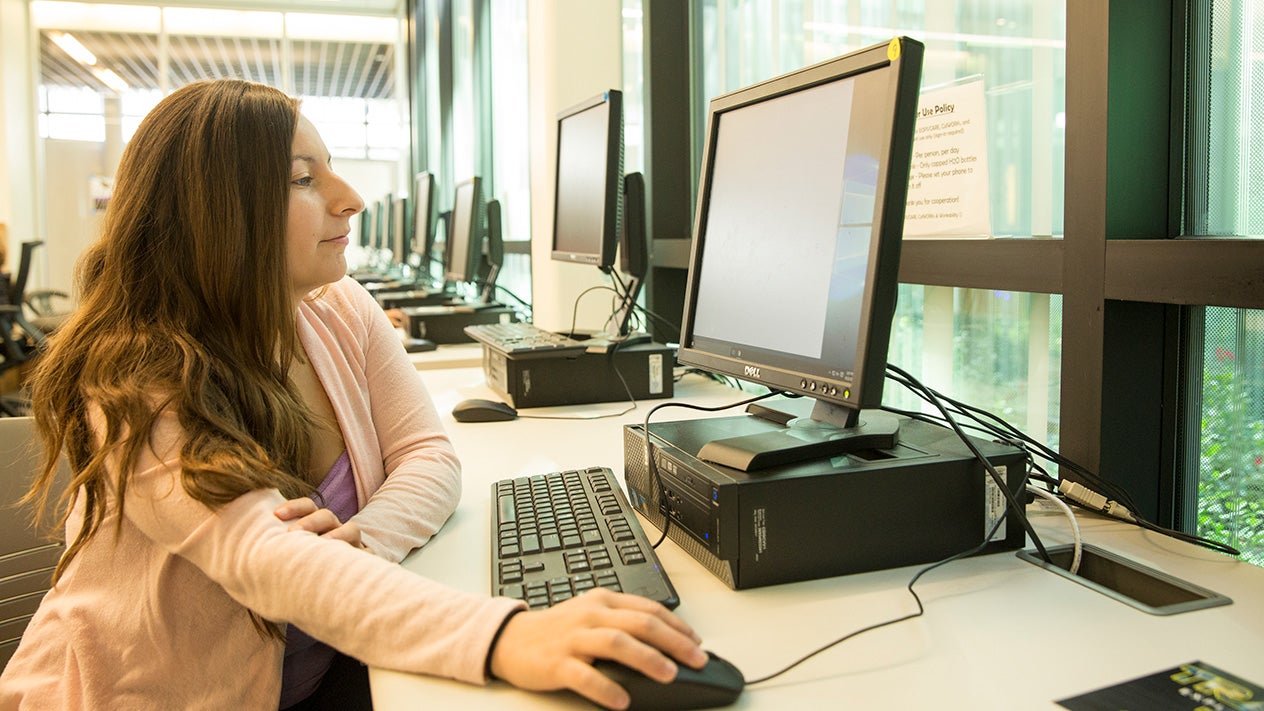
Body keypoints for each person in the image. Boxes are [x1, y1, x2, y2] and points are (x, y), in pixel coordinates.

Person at [0, 78, 706, 710]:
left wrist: (360, 539)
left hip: (325, 669)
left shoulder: (337, 307)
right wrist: (506, 635)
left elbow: (429, 454)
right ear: (219, 214)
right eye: (305, 179)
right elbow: (267, 558)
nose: (351, 198)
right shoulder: (135, 383)